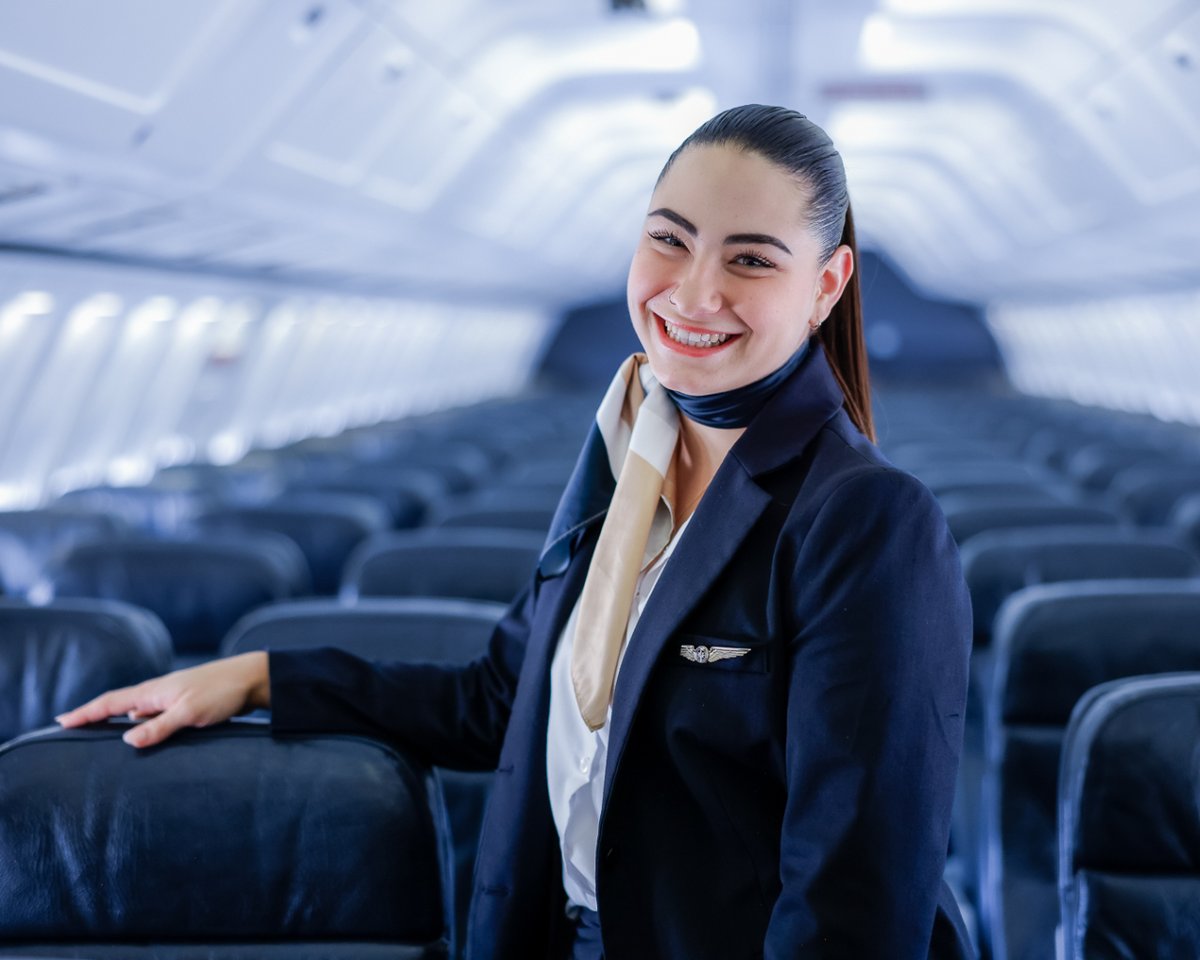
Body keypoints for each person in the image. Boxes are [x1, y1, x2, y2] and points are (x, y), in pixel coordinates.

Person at [59, 105, 973, 960]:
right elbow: (508, 701)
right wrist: (262, 676)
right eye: (669, 240)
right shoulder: (631, 450)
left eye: (751, 261)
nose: (694, 293)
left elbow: (854, 900)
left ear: (826, 287)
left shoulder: (866, 521)